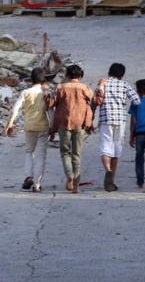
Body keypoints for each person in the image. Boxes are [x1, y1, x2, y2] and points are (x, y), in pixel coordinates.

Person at [45, 64, 94, 194]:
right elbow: (93, 100)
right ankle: (76, 186)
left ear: (67, 75)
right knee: (76, 155)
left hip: (64, 123)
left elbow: (51, 103)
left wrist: (46, 94)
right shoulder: (85, 88)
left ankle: (69, 175)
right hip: (80, 124)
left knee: (65, 152)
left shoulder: (61, 87)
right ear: (80, 76)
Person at [92, 63, 141, 192]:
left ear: (109, 72)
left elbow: (94, 101)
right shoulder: (124, 84)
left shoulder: (102, 84)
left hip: (105, 120)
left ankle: (107, 170)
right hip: (120, 121)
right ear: (122, 75)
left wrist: (90, 120)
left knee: (105, 148)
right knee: (116, 149)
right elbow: (137, 101)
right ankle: (111, 180)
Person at [5, 68, 51, 193]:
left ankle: (29, 176)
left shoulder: (26, 92)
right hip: (43, 127)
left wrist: (10, 123)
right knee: (40, 156)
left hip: (29, 126)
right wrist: (53, 128)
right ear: (44, 79)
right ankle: (37, 184)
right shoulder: (46, 93)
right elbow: (51, 111)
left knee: (29, 152)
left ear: (30, 79)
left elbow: (15, 108)